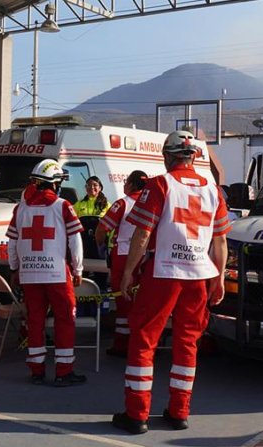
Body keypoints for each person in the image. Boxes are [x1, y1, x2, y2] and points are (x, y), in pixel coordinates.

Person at [112, 131, 230, 434]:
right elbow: (220, 241)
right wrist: (218, 278)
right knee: (187, 342)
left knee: (143, 339)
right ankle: (179, 412)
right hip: (199, 274)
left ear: (168, 155)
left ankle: (136, 414)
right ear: (194, 157)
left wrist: (128, 272)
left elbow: (142, 234)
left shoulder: (160, 184)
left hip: (163, 272)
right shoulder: (214, 190)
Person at [7, 159, 87, 387]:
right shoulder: (63, 205)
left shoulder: (20, 208)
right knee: (64, 320)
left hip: (29, 273)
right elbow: (75, 240)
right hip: (56, 274)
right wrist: (78, 268)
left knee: (34, 321)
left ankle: (37, 371)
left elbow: (12, 242)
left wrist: (15, 269)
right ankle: (63, 371)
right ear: (53, 183)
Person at [95, 170, 148, 357]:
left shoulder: (122, 203)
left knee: (123, 301)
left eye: (126, 181)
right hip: (147, 257)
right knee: (143, 302)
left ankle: (122, 345)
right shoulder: (154, 202)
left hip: (124, 256)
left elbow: (102, 230)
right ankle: (142, 345)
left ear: (132, 184)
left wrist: (100, 249)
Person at [74, 176, 111, 293]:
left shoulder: (106, 205)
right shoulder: (79, 204)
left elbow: (112, 227)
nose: (92, 187)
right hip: (84, 245)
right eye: (89, 185)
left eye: (95, 185)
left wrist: (109, 245)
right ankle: (82, 304)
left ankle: (102, 303)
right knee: (82, 273)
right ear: (85, 188)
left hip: (100, 246)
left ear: (100, 187)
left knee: (101, 275)